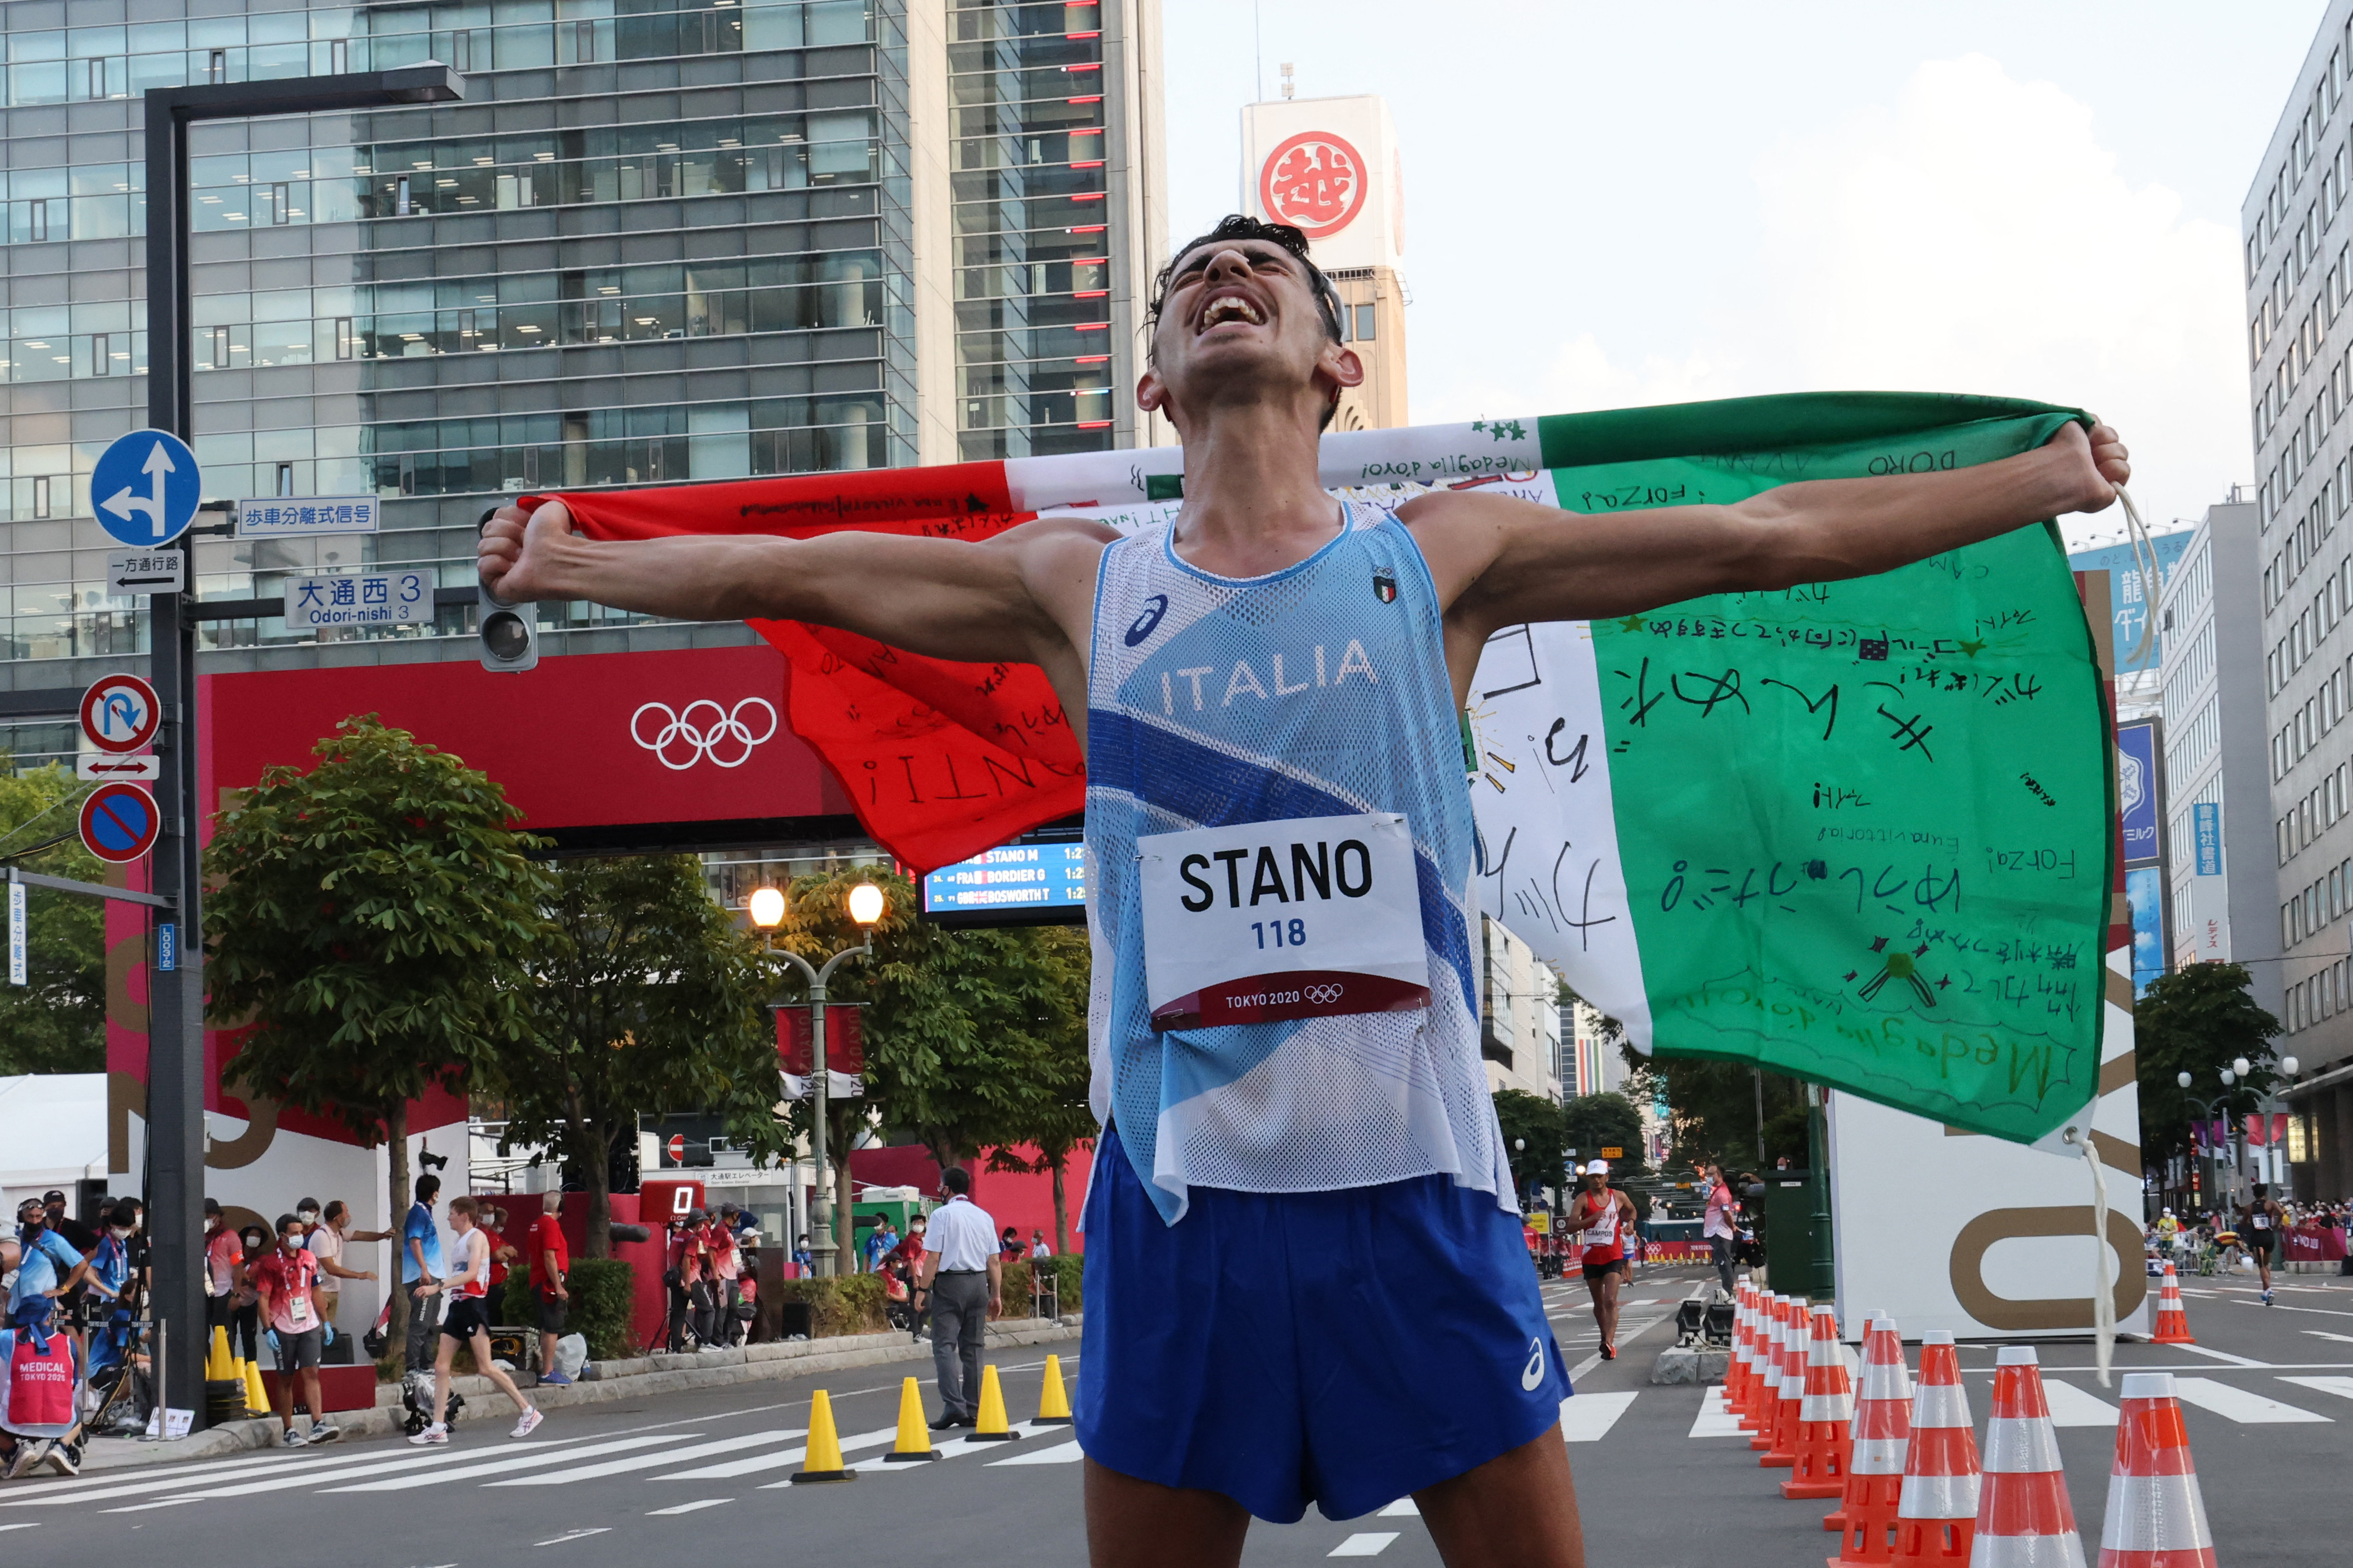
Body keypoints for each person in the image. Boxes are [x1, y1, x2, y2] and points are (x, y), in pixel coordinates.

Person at [478, 210, 2131, 1563]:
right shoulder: (1081, 581)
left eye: (1264, 265)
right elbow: (794, 567)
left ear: (1334, 366)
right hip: (1181, 1198)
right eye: (1195, 270)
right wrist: (574, 560)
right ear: (1154, 378)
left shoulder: (1443, 556)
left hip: (1415, 1189)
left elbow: (1768, 531)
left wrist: (2036, 482)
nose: (1225, 270)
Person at [406, 1196, 542, 1446]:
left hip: (473, 1306)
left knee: (486, 1367)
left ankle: (528, 1411)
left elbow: (471, 1273)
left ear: (464, 1216)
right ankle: (438, 1426)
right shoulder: (460, 1242)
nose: (448, 1218)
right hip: (458, 1306)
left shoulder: (477, 1238)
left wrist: (438, 1287)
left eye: (452, 1213)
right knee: (441, 1366)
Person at [915, 1167, 1000, 1428]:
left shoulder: (942, 1215)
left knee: (944, 1345)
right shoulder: (984, 1216)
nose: (939, 1191)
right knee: (974, 1348)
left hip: (951, 1283)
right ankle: (973, 1408)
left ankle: (954, 1406)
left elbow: (934, 1258)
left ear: (948, 1189)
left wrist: (922, 1290)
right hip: (978, 1283)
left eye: (941, 1186)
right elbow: (994, 1261)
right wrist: (996, 1294)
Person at [249, 1212, 339, 1447]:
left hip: (308, 1324)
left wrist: (325, 1322)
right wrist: (267, 1329)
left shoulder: (309, 1258)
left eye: (302, 1232)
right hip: (283, 1326)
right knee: (286, 1378)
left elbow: (316, 1291)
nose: (300, 1236)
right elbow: (264, 1298)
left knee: (312, 1373)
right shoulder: (270, 1264)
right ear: (283, 1236)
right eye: (295, 1233)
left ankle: (318, 1423)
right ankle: (289, 1429)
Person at [1568, 1161, 1638, 1360]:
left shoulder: (1619, 1197)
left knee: (1611, 1300)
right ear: (1588, 1179)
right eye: (1593, 1177)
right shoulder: (1583, 1199)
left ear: (1607, 1177)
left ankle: (1609, 1342)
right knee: (1599, 1304)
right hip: (1591, 1257)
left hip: (1614, 1256)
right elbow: (1571, 1226)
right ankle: (1603, 1337)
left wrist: (1630, 1223)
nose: (1596, 1180)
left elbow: (1632, 1210)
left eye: (1600, 1176)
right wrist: (1590, 1220)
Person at [304, 1199, 386, 1336]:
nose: (349, 1216)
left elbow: (360, 1235)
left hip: (332, 1290)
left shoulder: (339, 1233)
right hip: (320, 1291)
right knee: (319, 1332)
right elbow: (331, 1268)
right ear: (337, 1217)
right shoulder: (321, 1236)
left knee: (329, 1332)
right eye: (346, 1212)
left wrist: (383, 1236)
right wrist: (360, 1275)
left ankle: (325, 1357)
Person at [401, 1174, 445, 1373]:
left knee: (430, 1324)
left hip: (433, 1276)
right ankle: (413, 1367)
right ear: (434, 1192)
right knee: (420, 1323)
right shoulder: (418, 1213)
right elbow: (415, 1241)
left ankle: (427, 1363)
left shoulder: (426, 1212)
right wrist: (424, 1270)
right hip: (422, 1277)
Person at [528, 1190, 572, 1383]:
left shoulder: (536, 1225)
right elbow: (549, 1256)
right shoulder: (551, 1226)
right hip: (548, 1284)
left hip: (538, 1280)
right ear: (559, 1208)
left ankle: (547, 1369)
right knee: (553, 1327)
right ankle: (548, 1371)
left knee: (547, 1327)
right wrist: (558, 1285)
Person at [202, 1198, 239, 1352]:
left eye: (209, 1216)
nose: (206, 1219)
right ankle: (203, 1370)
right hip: (200, 1294)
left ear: (218, 1216)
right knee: (199, 1335)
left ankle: (227, 1370)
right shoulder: (193, 1237)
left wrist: (236, 1294)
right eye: (203, 1216)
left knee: (224, 1335)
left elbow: (238, 1266)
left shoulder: (231, 1236)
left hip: (223, 1292)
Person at [230, 1222, 269, 1368]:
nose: (254, 1238)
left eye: (258, 1236)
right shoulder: (236, 1256)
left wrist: (247, 1280)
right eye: (252, 1235)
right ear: (245, 1237)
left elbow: (262, 1284)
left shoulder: (263, 1260)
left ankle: (251, 1369)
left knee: (249, 1337)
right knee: (229, 1337)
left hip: (250, 1302)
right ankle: (229, 1367)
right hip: (233, 1301)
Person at [2243, 1184, 2287, 1305]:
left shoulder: (2249, 1208)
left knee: (2261, 1265)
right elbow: (2282, 1212)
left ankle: (2269, 1290)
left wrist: (2248, 1222)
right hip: (2269, 1236)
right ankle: (2265, 1293)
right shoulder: (2271, 1204)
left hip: (2257, 1237)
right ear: (2265, 1193)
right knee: (2267, 1264)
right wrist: (2277, 1224)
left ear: (2253, 1194)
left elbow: (2243, 1222)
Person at [1702, 1163, 1738, 1294]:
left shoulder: (1722, 1194)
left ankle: (1728, 1291)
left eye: (1711, 1175)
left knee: (1724, 1262)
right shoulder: (1717, 1191)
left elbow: (1727, 1214)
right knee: (1722, 1262)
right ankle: (1727, 1289)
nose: (1708, 1177)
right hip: (1717, 1231)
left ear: (1719, 1175)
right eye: (1707, 1175)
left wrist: (1732, 1226)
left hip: (1720, 1232)